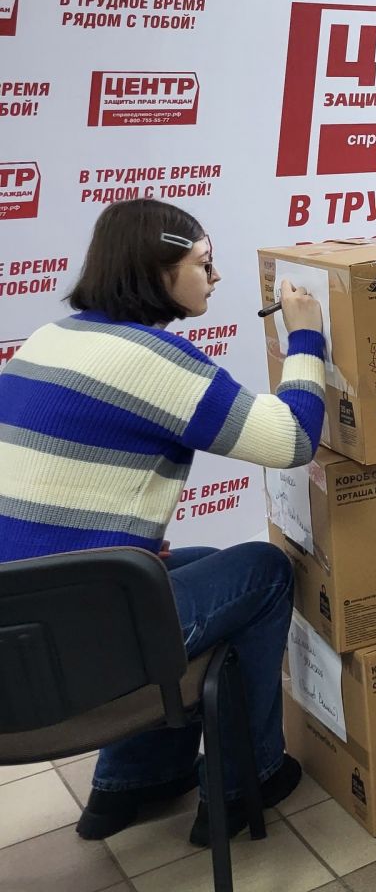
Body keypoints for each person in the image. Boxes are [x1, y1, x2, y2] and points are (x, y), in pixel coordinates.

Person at [0, 199, 326, 847]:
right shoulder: (153, 360)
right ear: (158, 270)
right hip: (77, 650)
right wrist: (307, 336)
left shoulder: (50, 338)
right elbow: (291, 438)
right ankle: (246, 782)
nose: (215, 277)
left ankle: (133, 780)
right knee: (263, 571)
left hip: (16, 638)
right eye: (204, 263)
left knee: (200, 561)